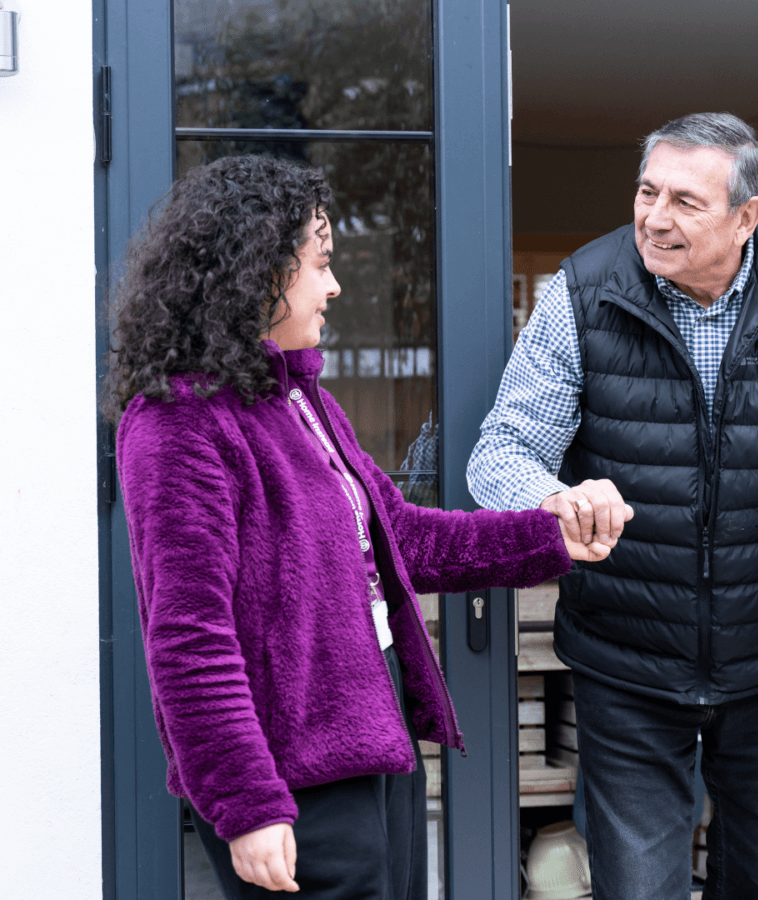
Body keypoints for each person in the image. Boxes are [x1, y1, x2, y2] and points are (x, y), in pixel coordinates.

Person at [104, 154, 616, 900]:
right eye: (320, 263)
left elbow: (401, 539)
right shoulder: (178, 422)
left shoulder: (300, 397)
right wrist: (246, 804)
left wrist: (546, 536)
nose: (334, 285)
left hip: (373, 736)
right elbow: (189, 637)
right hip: (289, 773)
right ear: (257, 272)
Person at [467, 113, 758, 899]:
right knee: (637, 889)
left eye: (686, 201)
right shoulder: (581, 291)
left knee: (756, 883)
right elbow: (500, 455)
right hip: (628, 657)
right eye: (647, 191)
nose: (654, 218)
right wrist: (556, 498)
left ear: (747, 216)